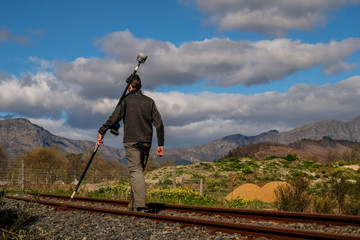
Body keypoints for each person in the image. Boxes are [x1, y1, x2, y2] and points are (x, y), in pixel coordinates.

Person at [96, 73, 164, 212]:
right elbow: (159, 124)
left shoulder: (125, 101)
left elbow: (113, 118)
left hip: (131, 140)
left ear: (130, 87)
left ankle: (139, 205)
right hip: (146, 141)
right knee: (138, 171)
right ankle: (133, 204)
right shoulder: (149, 102)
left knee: (136, 171)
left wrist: (101, 131)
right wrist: (160, 144)